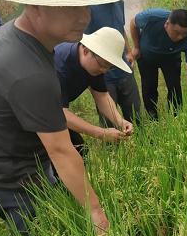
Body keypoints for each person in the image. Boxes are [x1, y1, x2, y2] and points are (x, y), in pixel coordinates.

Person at [0, 0, 123, 236]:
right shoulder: (28, 70)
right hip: (14, 180)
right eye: (70, 7)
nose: (84, 17)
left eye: (84, 5)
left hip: (26, 162)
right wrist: (96, 212)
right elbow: (60, 150)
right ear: (35, 5)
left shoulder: (22, 37)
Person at [55, 27, 134, 159]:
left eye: (109, 67)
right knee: (61, 156)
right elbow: (60, 114)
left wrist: (119, 121)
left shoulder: (95, 65)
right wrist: (101, 133)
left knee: (80, 150)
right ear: (86, 51)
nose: (104, 70)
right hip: (28, 113)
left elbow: (102, 95)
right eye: (103, 65)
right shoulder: (59, 66)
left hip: (53, 112)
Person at [86, 0, 142, 127]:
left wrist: (128, 52)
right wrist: (88, 76)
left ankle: (144, 144)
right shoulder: (87, 7)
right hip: (103, 75)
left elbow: (120, 27)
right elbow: (83, 43)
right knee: (109, 122)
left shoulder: (118, 1)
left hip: (123, 68)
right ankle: (113, 149)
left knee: (136, 115)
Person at [130, 8, 187, 120]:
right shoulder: (152, 17)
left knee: (174, 86)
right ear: (167, 24)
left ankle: (176, 115)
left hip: (171, 58)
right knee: (149, 86)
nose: (180, 37)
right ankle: (152, 117)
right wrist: (136, 47)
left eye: (184, 33)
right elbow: (133, 22)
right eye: (177, 33)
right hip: (147, 56)